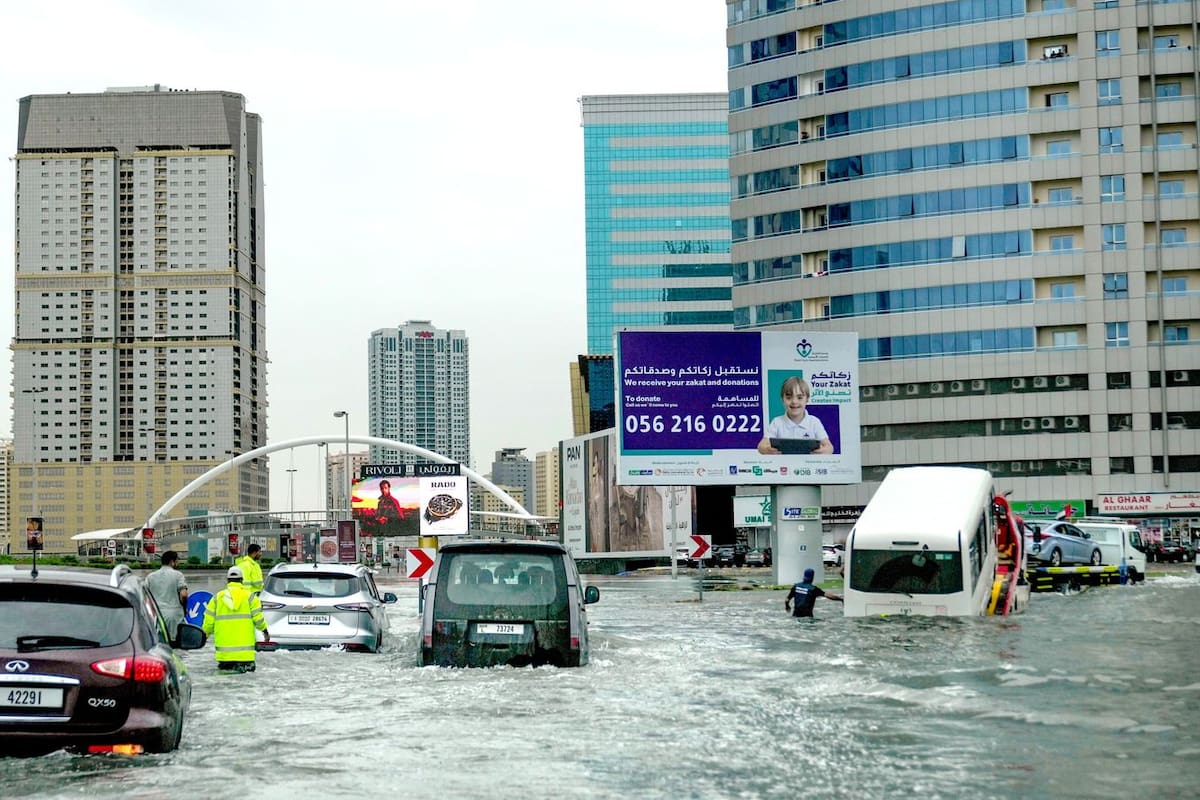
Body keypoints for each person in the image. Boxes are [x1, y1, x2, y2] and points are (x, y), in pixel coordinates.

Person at [201, 566, 269, 673]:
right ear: (242, 580)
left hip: (224, 656)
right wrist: (265, 631)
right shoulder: (251, 598)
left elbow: (208, 624)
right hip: (246, 655)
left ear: (227, 581)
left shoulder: (216, 599)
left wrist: (202, 637)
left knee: (225, 682)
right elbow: (258, 620)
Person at [758, 376, 834, 455]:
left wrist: (821, 451)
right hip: (783, 462)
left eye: (800, 397)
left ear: (807, 399)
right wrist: (768, 449)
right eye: (789, 397)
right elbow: (761, 446)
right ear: (782, 400)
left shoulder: (814, 422)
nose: (794, 401)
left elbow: (829, 448)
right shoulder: (776, 422)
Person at [146, 550, 189, 639]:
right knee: (174, 643)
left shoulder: (150, 577)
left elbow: (145, 598)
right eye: (177, 561)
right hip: (173, 616)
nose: (177, 563)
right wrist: (185, 609)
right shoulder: (178, 575)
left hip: (156, 617)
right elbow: (184, 595)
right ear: (172, 562)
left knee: (159, 643)